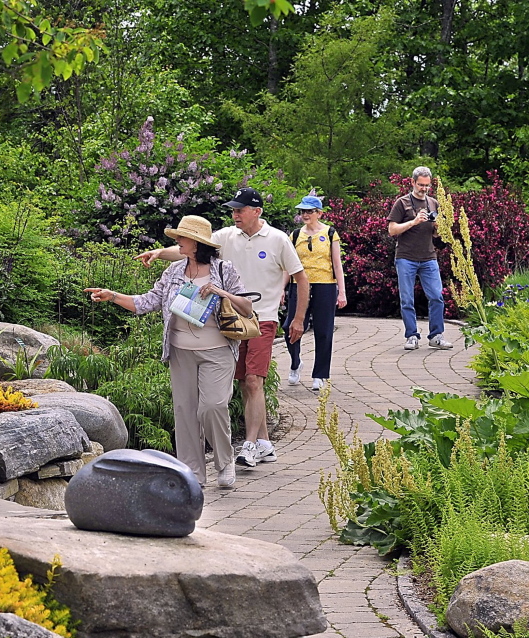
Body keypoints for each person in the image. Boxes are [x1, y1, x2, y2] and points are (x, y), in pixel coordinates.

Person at [135, 187, 310, 469]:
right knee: (245, 382)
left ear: (257, 212)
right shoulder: (226, 236)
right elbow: (189, 247)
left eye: (240, 210)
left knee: (254, 380)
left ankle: (250, 445)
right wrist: (158, 252)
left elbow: (302, 279)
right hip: (226, 321)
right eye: (233, 210)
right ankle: (264, 441)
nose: (234, 214)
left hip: (261, 317)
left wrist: (298, 318)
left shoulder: (278, 239)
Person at [86, 215, 252, 489]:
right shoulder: (173, 271)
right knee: (184, 412)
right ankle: (194, 473)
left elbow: (246, 307)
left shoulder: (224, 270)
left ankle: (225, 461)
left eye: (182, 238)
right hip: (180, 351)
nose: (177, 242)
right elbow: (147, 302)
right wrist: (112, 295)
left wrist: (222, 293)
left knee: (213, 406)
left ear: (197, 243)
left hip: (217, 350)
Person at [282, 195, 347, 392]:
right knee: (289, 327)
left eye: (310, 211)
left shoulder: (330, 233)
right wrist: (281, 289)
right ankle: (295, 362)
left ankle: (320, 374)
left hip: (325, 285)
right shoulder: (294, 235)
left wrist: (341, 292)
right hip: (298, 285)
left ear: (319, 213)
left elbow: (337, 264)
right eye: (303, 211)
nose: (305, 215)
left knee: (323, 330)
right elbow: (287, 265)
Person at [387, 166, 453, 350]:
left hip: (429, 257)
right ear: (412, 182)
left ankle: (436, 335)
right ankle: (411, 336)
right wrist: (414, 221)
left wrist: (440, 228)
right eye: (420, 185)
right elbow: (392, 230)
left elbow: (437, 234)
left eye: (427, 185)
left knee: (437, 296)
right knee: (407, 299)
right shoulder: (402, 203)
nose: (424, 188)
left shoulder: (434, 204)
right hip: (406, 257)